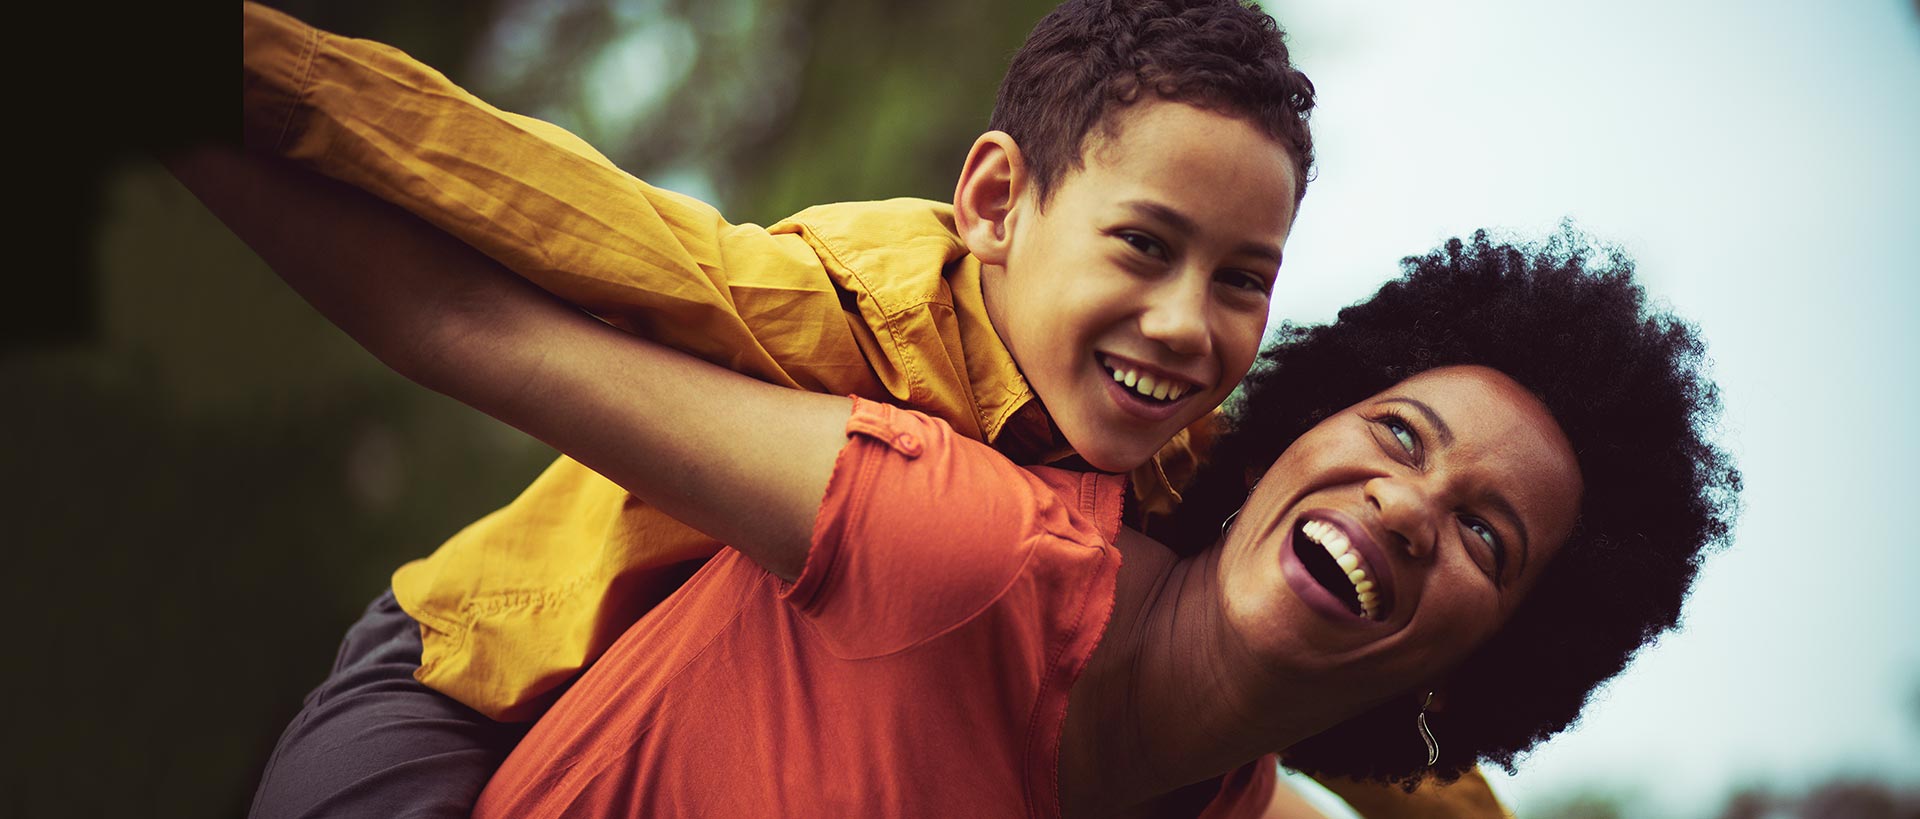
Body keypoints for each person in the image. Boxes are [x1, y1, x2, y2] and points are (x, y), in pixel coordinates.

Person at [174, 136, 1737, 815]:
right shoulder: (959, 536)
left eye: (1487, 535)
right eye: (1399, 436)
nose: (1406, 505)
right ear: (1295, 427)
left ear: (1492, 661)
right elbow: (470, 321)